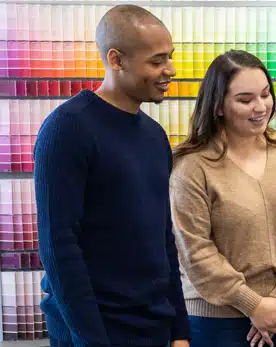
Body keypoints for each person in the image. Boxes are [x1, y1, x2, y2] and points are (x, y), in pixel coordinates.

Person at [33, 5, 189, 347]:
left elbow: (163, 240)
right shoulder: (67, 129)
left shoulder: (155, 136)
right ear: (116, 60)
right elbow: (59, 247)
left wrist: (179, 330)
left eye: (170, 58)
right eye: (157, 61)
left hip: (154, 326)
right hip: (96, 331)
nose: (170, 70)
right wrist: (91, 340)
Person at [169, 50, 276, 347]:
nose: (260, 107)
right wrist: (253, 305)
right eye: (245, 99)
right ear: (219, 106)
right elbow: (196, 252)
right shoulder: (191, 167)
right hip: (216, 319)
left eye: (265, 95)